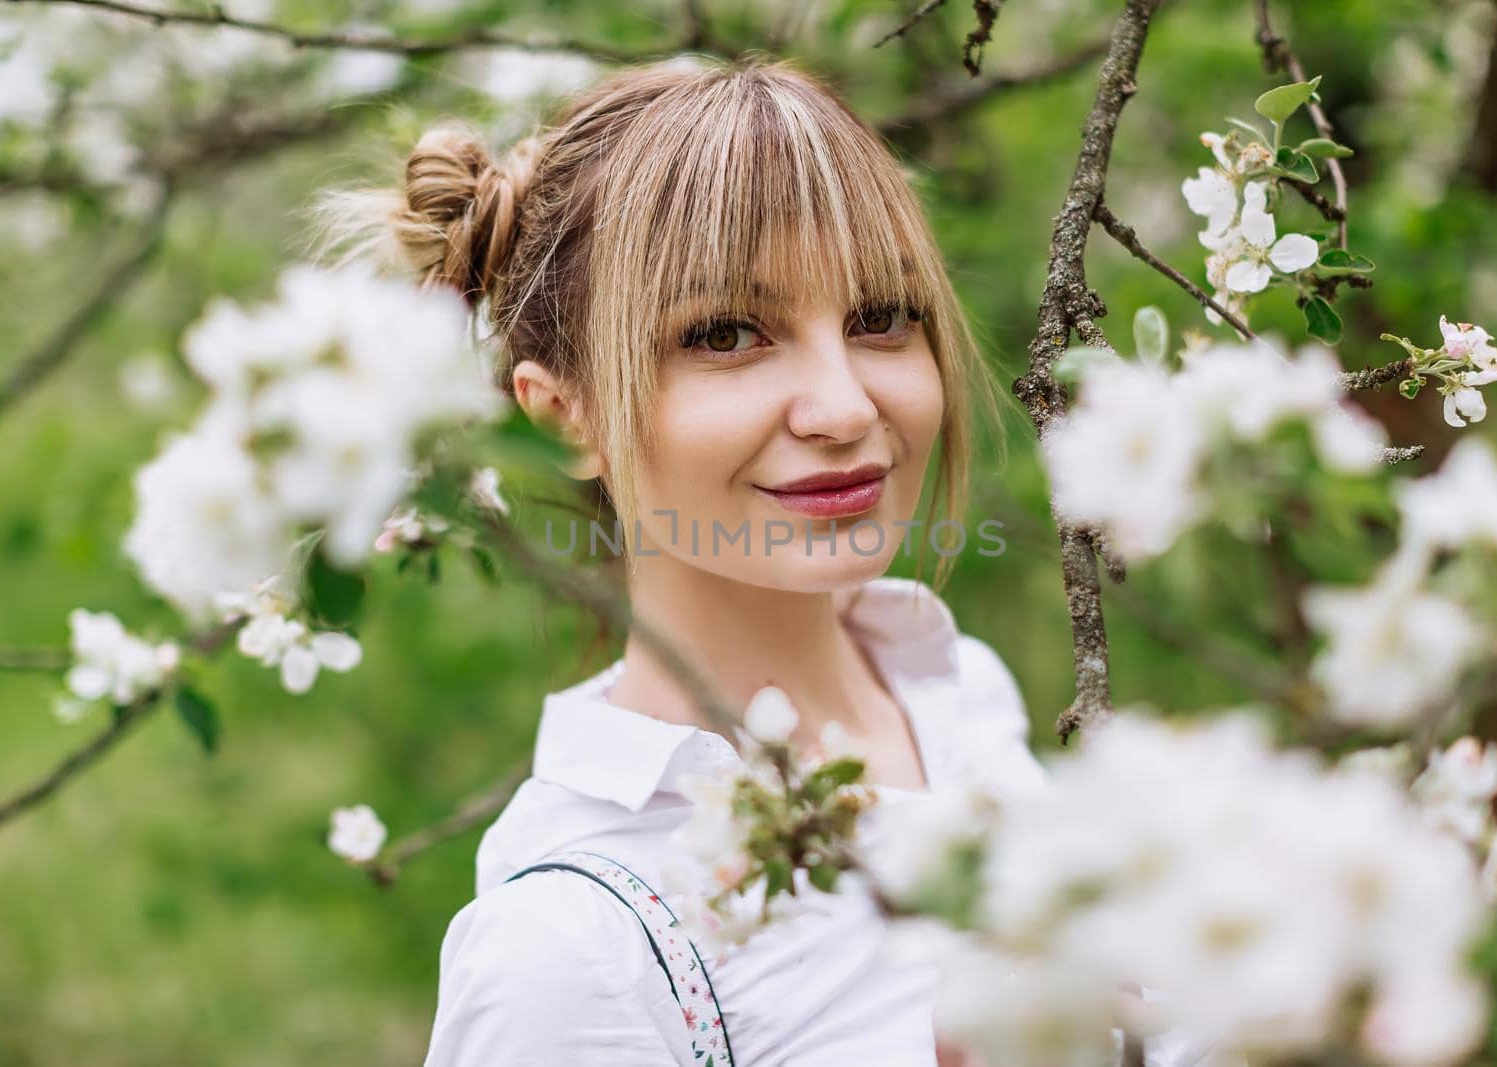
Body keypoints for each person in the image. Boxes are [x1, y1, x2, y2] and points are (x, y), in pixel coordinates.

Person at [320, 52, 1056, 1066]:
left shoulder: (958, 692)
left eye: (880, 318)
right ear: (561, 416)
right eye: (724, 333)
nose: (844, 407)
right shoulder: (575, 951)